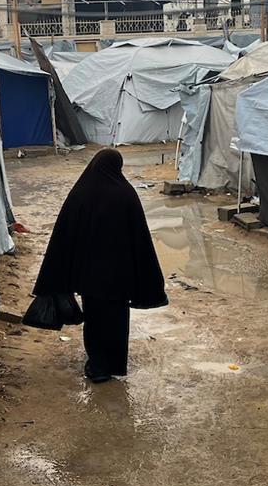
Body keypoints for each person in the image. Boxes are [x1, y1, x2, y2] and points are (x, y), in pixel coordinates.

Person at [32, 148, 168, 383]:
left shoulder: (81, 193)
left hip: (89, 278)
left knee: (95, 321)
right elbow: (141, 239)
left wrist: (64, 274)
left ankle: (98, 367)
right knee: (117, 321)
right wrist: (145, 278)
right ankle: (116, 365)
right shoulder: (126, 194)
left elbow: (64, 236)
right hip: (120, 278)